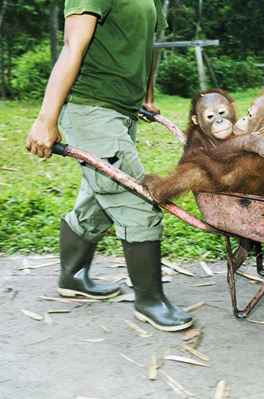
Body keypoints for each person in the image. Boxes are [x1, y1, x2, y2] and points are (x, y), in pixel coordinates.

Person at [25, 0, 192, 332]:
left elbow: (149, 46)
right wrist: (46, 119)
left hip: (120, 112)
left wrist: (145, 95)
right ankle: (150, 301)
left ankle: (72, 277)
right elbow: (73, 45)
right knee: (138, 200)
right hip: (90, 109)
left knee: (99, 201)